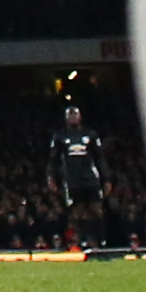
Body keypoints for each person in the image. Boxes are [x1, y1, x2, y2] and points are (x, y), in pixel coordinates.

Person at [49, 105, 109, 253]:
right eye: (70, 115)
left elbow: (100, 158)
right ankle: (83, 240)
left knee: (96, 209)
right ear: (66, 118)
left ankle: (101, 240)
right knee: (77, 211)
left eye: (75, 115)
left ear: (80, 117)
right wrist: (51, 177)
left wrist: (106, 178)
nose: (73, 118)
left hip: (89, 177)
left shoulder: (90, 135)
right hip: (72, 179)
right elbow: (53, 159)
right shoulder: (60, 136)